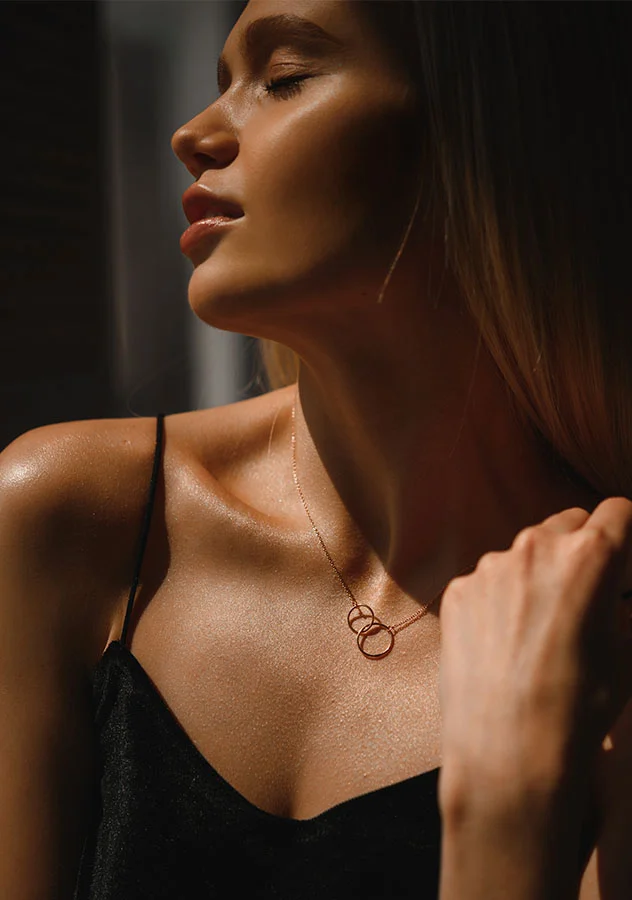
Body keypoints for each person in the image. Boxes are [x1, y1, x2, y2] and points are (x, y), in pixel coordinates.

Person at [1, 0, 632, 897]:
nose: (194, 133)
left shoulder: (601, 626)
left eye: (285, 76)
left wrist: (507, 820)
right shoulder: (71, 518)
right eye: (224, 82)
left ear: (488, 126)